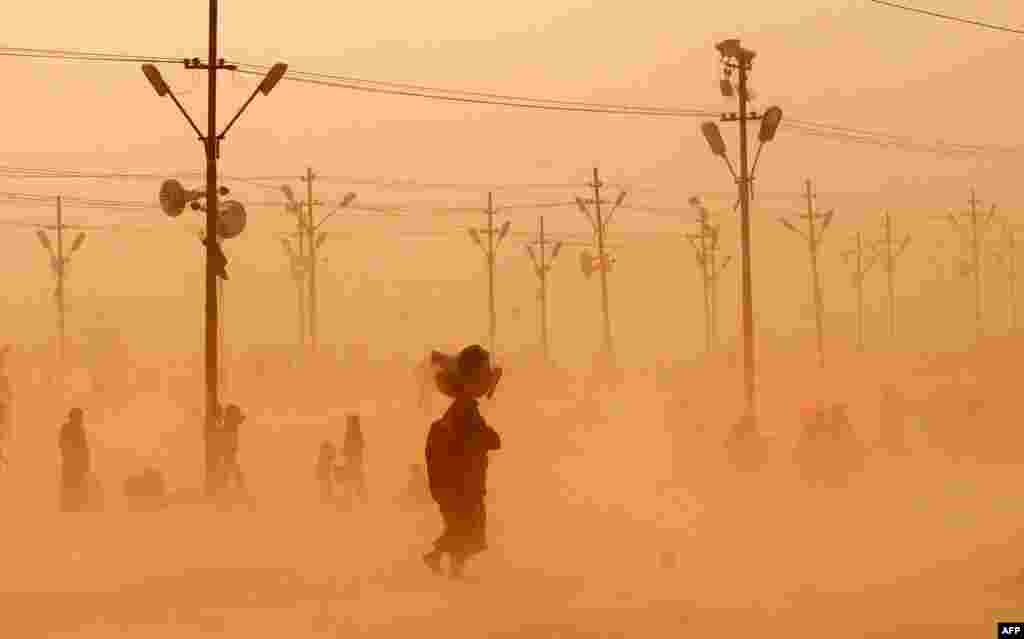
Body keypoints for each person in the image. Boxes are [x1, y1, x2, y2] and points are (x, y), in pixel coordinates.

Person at [422, 345, 503, 579]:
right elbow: (474, 437)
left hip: (463, 484)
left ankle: (449, 566)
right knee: (467, 529)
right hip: (461, 485)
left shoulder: (464, 408)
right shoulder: (464, 410)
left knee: (465, 529)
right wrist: (488, 438)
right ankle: (438, 557)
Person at [59, 408, 91, 512]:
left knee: (77, 487)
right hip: (71, 464)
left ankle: (75, 507)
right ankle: (69, 508)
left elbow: (84, 447)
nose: (81, 419)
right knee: (70, 487)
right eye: (79, 417)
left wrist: (86, 462)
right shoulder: (67, 429)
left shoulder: (79, 430)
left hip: (77, 465)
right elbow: (63, 445)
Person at [339, 414, 367, 504]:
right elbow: (359, 447)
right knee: (355, 485)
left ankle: (359, 501)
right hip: (354, 464)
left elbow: (356, 448)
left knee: (353, 485)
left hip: (353, 464)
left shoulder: (352, 434)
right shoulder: (354, 434)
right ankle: (361, 501)